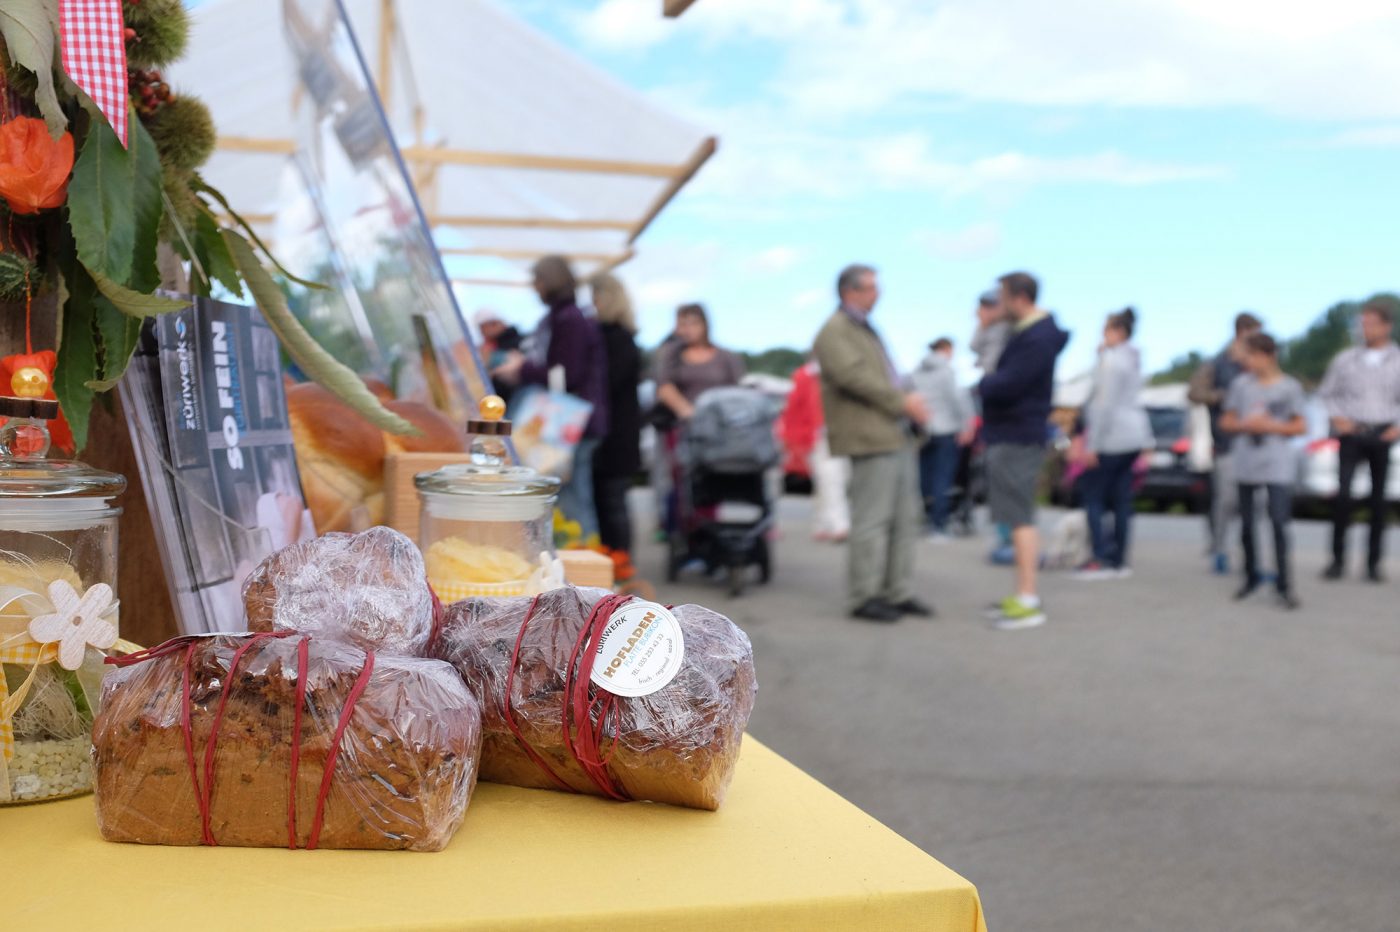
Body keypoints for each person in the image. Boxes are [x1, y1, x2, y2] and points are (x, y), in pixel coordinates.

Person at [813, 264, 933, 623]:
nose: (876, 293)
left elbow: (883, 376)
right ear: (850, 291)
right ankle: (864, 595)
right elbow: (853, 377)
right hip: (870, 437)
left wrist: (906, 402)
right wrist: (903, 403)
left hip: (891, 434)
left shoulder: (861, 327)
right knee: (872, 520)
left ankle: (898, 591)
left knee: (904, 519)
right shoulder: (834, 330)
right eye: (870, 287)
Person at [493, 256, 608, 541]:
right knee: (568, 496)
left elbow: (565, 373)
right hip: (571, 419)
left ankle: (585, 565)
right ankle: (582, 561)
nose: (535, 288)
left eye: (538, 281)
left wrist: (522, 368)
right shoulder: (564, 317)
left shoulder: (568, 318)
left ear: (548, 281)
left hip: (572, 420)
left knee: (571, 499)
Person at [979, 271, 1069, 630]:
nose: (998, 304)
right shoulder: (1032, 333)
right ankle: (1022, 595)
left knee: (1020, 517)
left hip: (1018, 433)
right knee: (1016, 516)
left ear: (1018, 297)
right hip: (1013, 431)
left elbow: (1010, 383)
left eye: (1002, 296)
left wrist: (984, 383)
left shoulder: (1037, 337)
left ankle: (1029, 599)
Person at [1220, 332, 1306, 609]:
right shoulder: (1241, 385)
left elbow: (1300, 426)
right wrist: (1247, 424)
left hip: (1277, 464)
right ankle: (1250, 576)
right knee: (1247, 524)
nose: (1248, 361)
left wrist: (1270, 426)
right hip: (1246, 462)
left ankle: (1283, 584)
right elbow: (1227, 421)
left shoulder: (1289, 387)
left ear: (1268, 356)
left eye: (1252, 355)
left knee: (1279, 523)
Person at [1319, 299, 1400, 582]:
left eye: (1371, 323)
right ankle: (1337, 559)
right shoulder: (1346, 360)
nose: (1366, 329)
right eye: (1362, 324)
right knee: (1343, 497)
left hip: (1383, 431)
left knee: (1378, 501)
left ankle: (1373, 563)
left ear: (1387, 326)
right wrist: (1337, 418)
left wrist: (1397, 427)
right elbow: (1327, 393)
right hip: (1352, 433)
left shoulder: (1397, 359)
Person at [1075, 308, 1153, 579]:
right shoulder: (1133, 359)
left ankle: (1100, 558)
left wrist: (1092, 444)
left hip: (1111, 437)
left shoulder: (1111, 362)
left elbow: (1102, 405)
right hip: (1134, 435)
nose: (1102, 335)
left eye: (1105, 329)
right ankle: (1120, 560)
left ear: (1118, 331)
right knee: (1122, 500)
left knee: (1094, 498)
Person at [654, 304, 746, 534]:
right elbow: (664, 387)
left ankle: (710, 529)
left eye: (693, 323)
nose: (688, 329)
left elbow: (740, 390)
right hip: (685, 428)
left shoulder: (725, 357)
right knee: (683, 483)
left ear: (705, 325)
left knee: (713, 480)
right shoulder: (672, 356)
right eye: (683, 324)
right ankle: (683, 531)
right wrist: (687, 410)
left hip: (718, 430)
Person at [1188, 312, 1263, 574]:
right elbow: (1195, 393)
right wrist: (1225, 396)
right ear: (1242, 332)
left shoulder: (1259, 365)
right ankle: (1219, 549)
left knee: (1255, 504)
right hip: (1227, 442)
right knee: (1226, 501)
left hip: (1257, 443)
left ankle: (1250, 554)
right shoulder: (1218, 364)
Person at [589, 273, 642, 573]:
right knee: (611, 502)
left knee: (612, 502)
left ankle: (621, 562)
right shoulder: (621, 337)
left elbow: (607, 384)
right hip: (618, 435)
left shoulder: (616, 339)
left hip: (616, 437)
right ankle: (617, 560)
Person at [909, 337, 975, 540]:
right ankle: (939, 525)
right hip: (946, 429)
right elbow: (958, 398)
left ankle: (927, 519)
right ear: (946, 349)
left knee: (924, 477)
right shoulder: (947, 370)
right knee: (943, 478)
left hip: (923, 429)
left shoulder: (917, 371)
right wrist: (966, 425)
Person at [779, 358, 850, 542]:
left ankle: (821, 523)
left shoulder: (839, 373)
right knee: (832, 478)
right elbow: (794, 409)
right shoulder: (805, 376)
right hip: (817, 435)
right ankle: (839, 524)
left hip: (839, 432)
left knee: (827, 480)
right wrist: (793, 439)